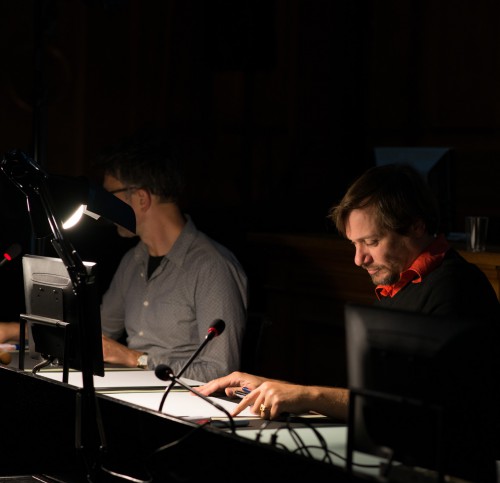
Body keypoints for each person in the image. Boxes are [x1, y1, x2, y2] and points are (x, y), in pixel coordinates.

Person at [197, 163, 500, 420]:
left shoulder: (457, 288)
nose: (358, 259)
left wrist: (307, 395)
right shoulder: (398, 285)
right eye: (354, 244)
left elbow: (417, 410)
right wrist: (270, 387)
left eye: (371, 242)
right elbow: (374, 399)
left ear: (416, 227)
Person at [0, 130, 249, 382]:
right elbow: (92, 333)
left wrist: (136, 359)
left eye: (110, 195)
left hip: (180, 401)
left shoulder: (212, 266)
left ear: (141, 198)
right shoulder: (133, 260)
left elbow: (221, 371)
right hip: (135, 392)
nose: (104, 207)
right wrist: (10, 331)